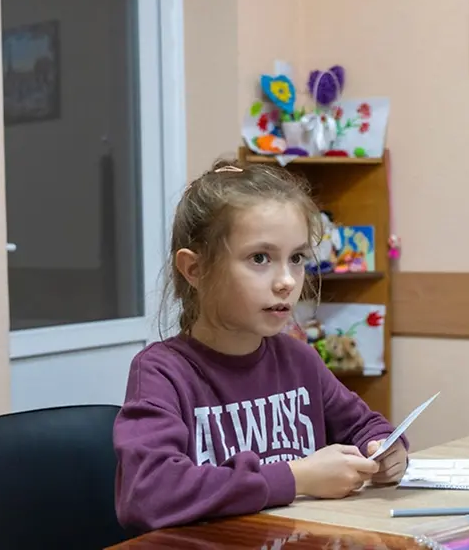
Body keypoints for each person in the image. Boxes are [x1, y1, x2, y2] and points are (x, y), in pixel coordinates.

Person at [113, 161, 408, 532]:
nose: (287, 281)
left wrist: (385, 450)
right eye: (260, 258)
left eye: (296, 258)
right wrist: (295, 478)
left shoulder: (299, 359)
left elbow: (365, 426)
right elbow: (147, 494)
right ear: (195, 270)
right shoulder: (162, 372)